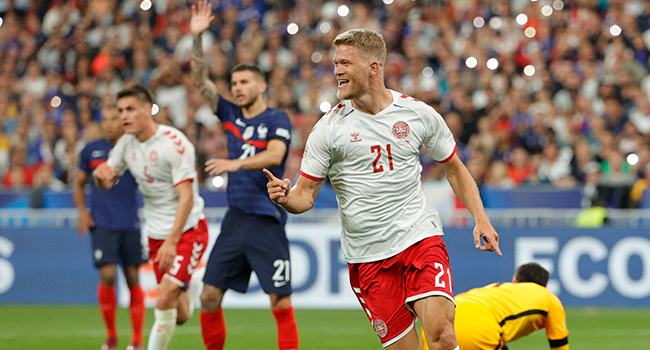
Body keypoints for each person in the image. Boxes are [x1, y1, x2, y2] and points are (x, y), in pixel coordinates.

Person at [265, 28, 501, 350]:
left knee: (443, 337)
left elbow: (454, 168)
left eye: (346, 63)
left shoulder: (418, 115)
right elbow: (304, 196)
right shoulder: (328, 130)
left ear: (373, 68)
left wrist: (481, 219)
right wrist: (285, 198)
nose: (337, 70)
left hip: (418, 238)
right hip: (368, 258)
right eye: (336, 63)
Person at [190, 2, 299, 350]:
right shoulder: (229, 113)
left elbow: (276, 155)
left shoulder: (277, 119)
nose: (237, 88)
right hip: (236, 220)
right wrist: (196, 36)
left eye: (244, 82)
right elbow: (200, 80)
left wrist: (234, 164)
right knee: (208, 296)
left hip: (267, 219)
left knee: (279, 302)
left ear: (262, 85)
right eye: (234, 82)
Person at [93, 85, 208, 350]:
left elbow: (187, 197)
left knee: (163, 299)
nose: (124, 116)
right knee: (179, 315)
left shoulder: (174, 143)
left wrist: (172, 240)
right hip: (155, 234)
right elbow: (109, 179)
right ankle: (194, 287)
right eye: (121, 110)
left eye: (130, 109)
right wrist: (101, 179)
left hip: (188, 230)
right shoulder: (126, 144)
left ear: (148, 110)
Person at [73, 106, 146, 350]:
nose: (110, 123)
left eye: (114, 118)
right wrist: (83, 212)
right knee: (107, 275)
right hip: (102, 222)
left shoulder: (135, 148)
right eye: (105, 119)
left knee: (133, 277)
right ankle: (112, 335)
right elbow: (79, 183)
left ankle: (136, 339)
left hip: (130, 222)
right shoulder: (90, 149)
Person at [421, 263, 570, 350]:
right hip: (481, 328)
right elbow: (559, 343)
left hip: (440, 318)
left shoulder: (496, 289)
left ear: (515, 280)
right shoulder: (549, 298)